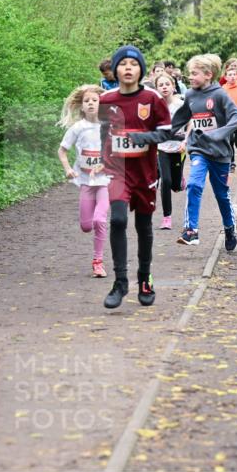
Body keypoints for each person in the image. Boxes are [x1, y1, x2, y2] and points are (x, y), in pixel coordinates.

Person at [97, 45, 172, 309]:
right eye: (123, 64)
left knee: (143, 227)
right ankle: (120, 282)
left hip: (145, 173)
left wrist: (142, 137)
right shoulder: (106, 100)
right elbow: (104, 134)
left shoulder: (152, 99)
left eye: (133, 64)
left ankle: (144, 278)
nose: (128, 68)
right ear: (115, 69)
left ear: (141, 69)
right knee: (117, 220)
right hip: (117, 172)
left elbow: (166, 132)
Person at [176, 54, 237, 252]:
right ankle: (191, 230)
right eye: (189, 73)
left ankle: (230, 229)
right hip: (198, 150)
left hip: (220, 153)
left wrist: (218, 134)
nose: (190, 77)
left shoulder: (220, 95)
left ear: (208, 75)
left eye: (194, 73)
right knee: (194, 184)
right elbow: (181, 117)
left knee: (221, 195)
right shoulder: (189, 95)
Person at [58, 84, 110, 278]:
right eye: (86, 101)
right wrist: (68, 169)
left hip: (105, 181)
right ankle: (94, 236)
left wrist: (105, 163)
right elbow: (62, 151)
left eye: (94, 100)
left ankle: (98, 261)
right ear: (81, 106)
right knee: (86, 225)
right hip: (86, 181)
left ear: (101, 104)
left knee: (99, 220)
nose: (90, 104)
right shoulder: (77, 128)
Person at [153, 73, 185, 230]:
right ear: (157, 89)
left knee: (176, 185)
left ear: (173, 86)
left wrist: (186, 141)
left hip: (178, 147)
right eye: (161, 85)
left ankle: (180, 181)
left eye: (167, 84)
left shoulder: (181, 105)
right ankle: (167, 217)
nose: (164, 87)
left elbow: (192, 123)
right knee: (165, 181)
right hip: (162, 148)